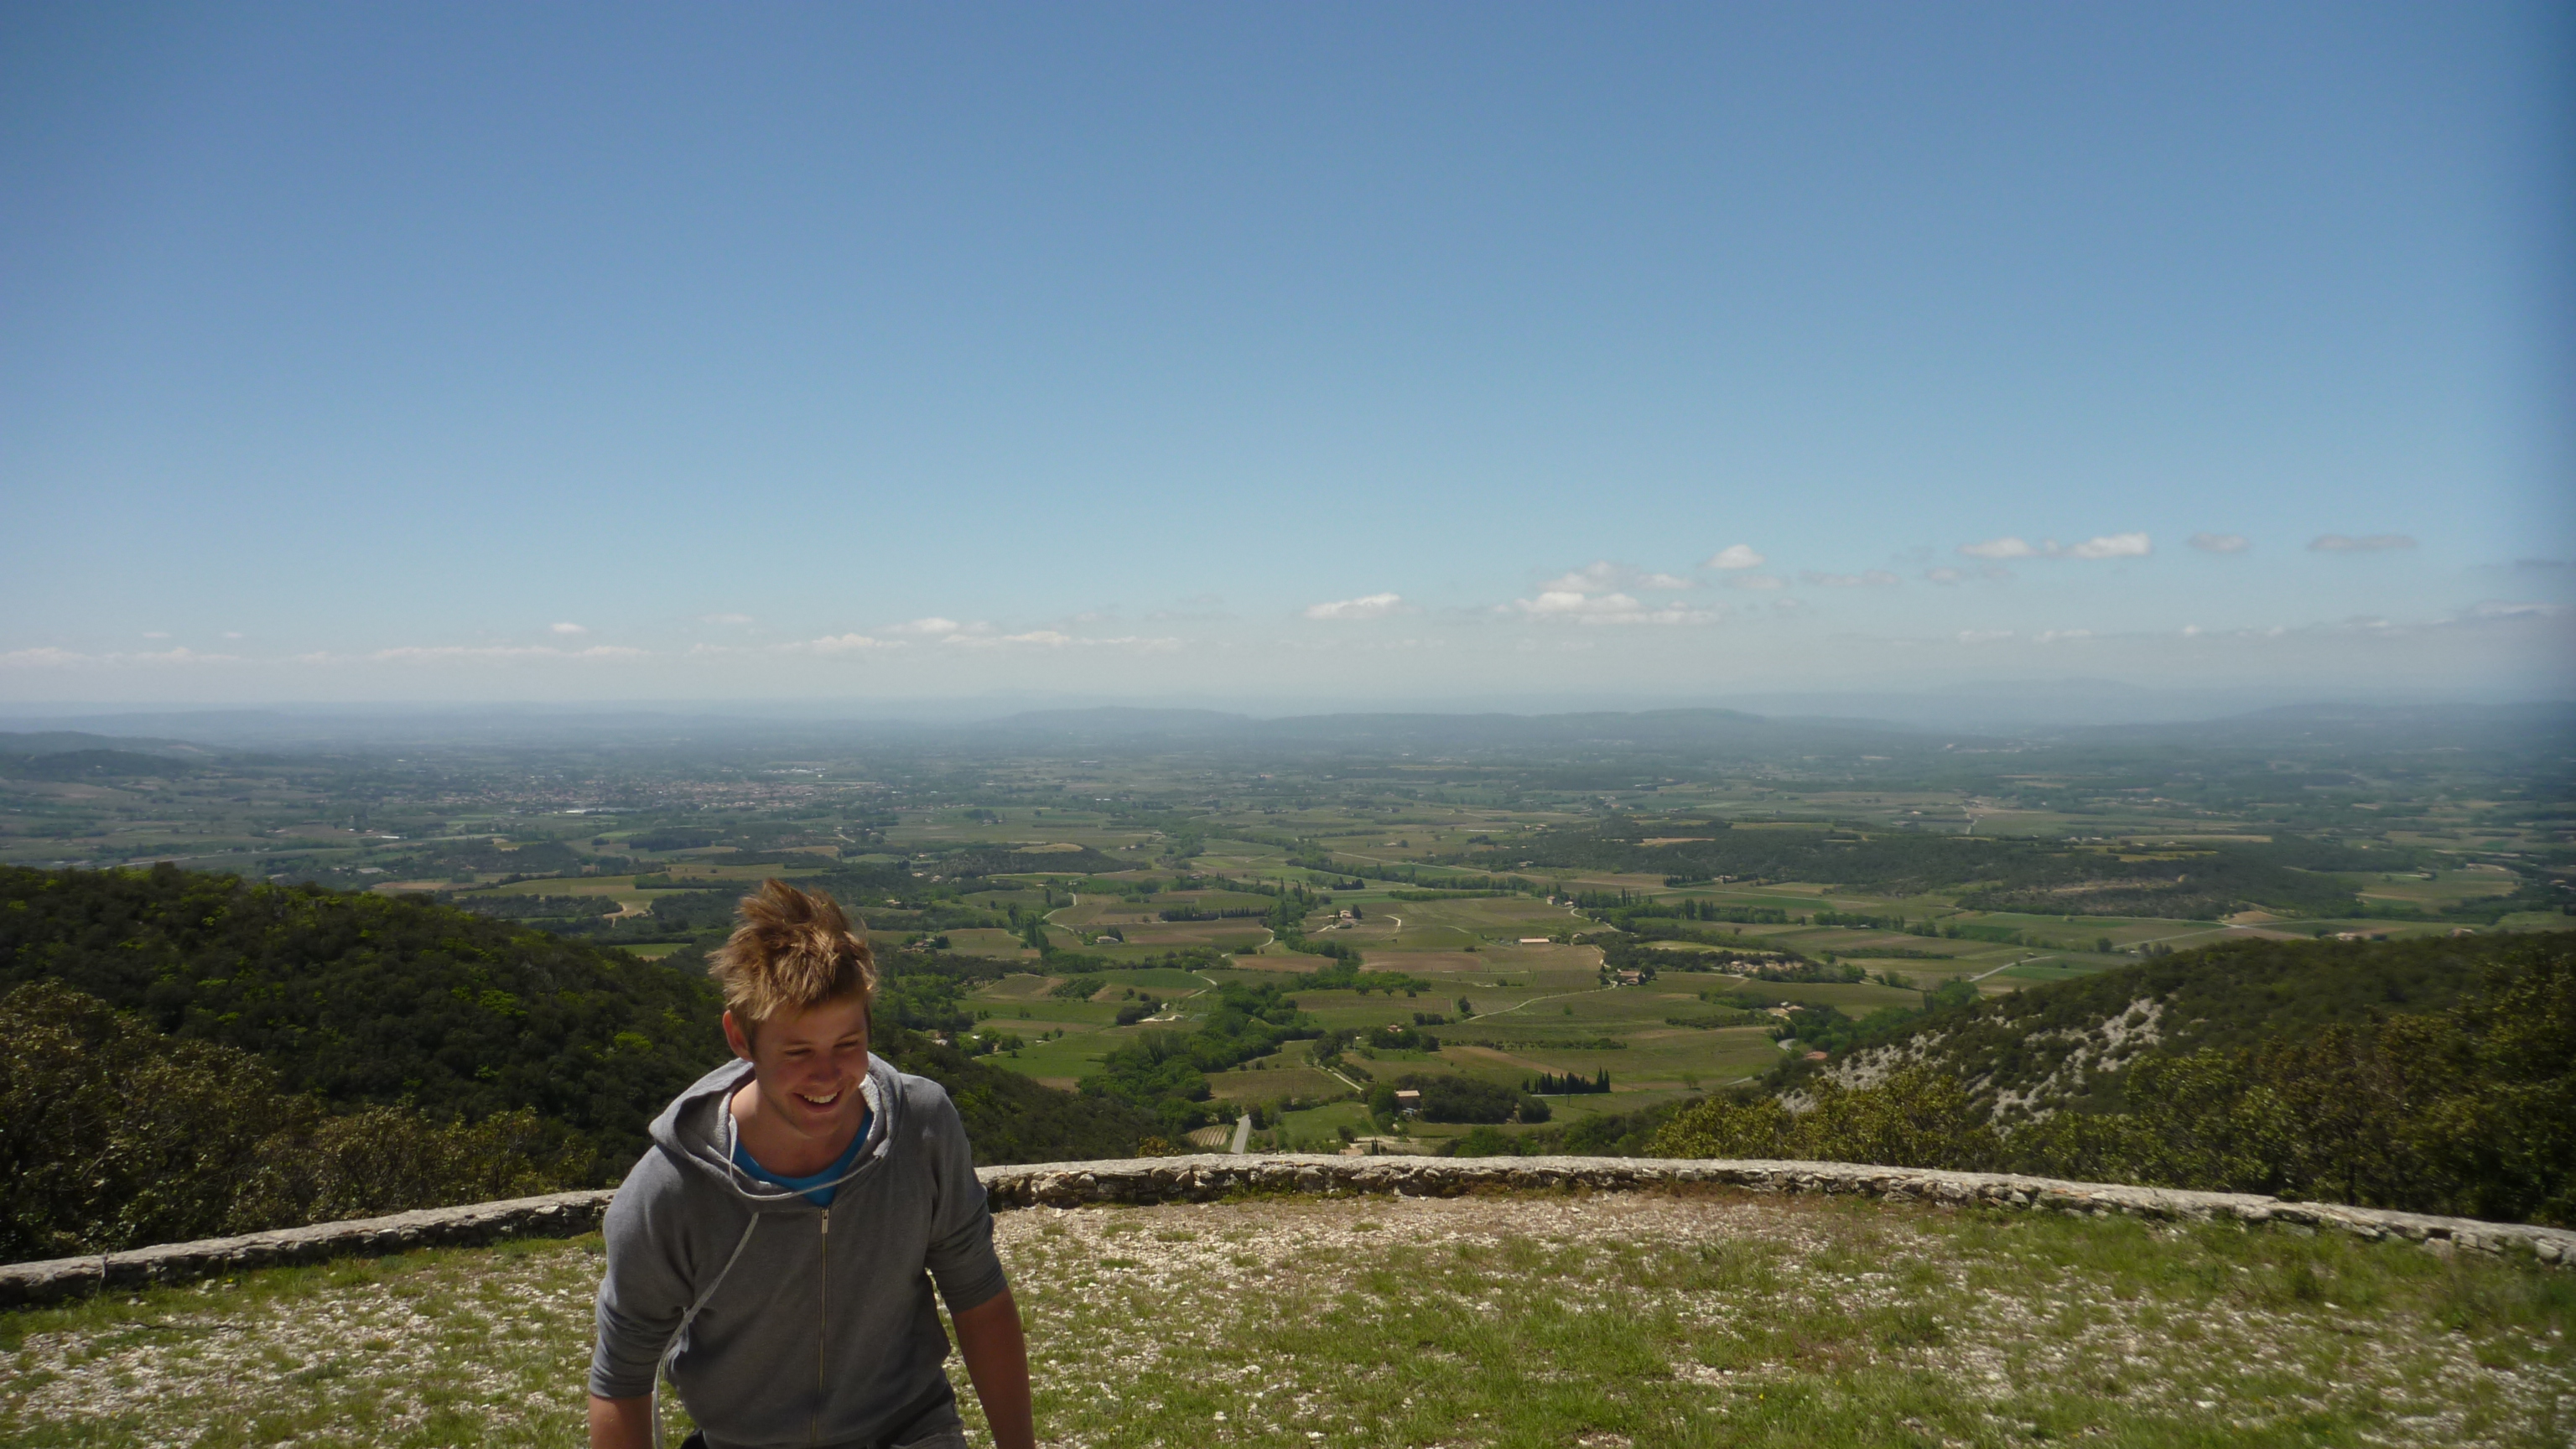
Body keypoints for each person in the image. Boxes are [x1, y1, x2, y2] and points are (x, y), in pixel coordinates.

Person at [587, 880, 1035, 1449]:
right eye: (797, 1052)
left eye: (848, 1044)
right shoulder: (671, 1191)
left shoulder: (921, 1128)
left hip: (909, 1431)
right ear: (739, 1038)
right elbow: (621, 1380)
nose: (828, 1077)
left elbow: (979, 1296)